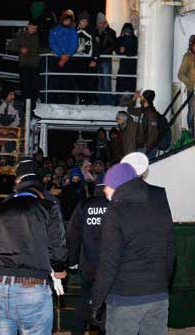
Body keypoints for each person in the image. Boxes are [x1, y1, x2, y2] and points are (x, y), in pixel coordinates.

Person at [0, 160, 67, 334]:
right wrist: (59, 269)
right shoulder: (48, 207)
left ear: (17, 182)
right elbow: (57, 245)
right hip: (32, 288)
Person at [90, 163, 175, 335]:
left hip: (125, 297)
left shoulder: (115, 213)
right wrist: (161, 283)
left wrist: (96, 302)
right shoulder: (160, 208)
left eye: (107, 185)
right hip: (158, 294)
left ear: (117, 184)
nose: (104, 190)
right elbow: (170, 253)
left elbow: (109, 263)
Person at [67, 171, 110, 335]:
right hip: (109, 264)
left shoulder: (84, 205)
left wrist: (72, 261)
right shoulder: (114, 205)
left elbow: (73, 234)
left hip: (88, 264)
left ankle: (77, 332)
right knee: (107, 302)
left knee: (84, 299)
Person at [7, 19, 41, 106]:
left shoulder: (38, 36)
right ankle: (26, 110)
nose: (34, 30)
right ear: (28, 26)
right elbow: (9, 46)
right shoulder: (20, 36)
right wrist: (20, 50)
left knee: (34, 88)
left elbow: (42, 48)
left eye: (35, 28)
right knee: (26, 88)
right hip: (24, 65)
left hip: (35, 65)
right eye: (32, 28)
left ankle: (31, 110)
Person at [48, 10, 78, 104]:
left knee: (69, 82)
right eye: (66, 20)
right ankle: (55, 102)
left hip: (68, 59)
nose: (67, 21)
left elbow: (74, 44)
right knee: (57, 81)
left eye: (69, 20)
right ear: (62, 20)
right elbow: (52, 43)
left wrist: (66, 56)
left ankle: (69, 102)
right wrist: (62, 55)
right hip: (58, 59)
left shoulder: (73, 31)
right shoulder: (54, 30)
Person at [178, 35, 195, 136]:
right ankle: (191, 131)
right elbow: (181, 74)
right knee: (192, 112)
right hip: (192, 89)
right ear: (191, 47)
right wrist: (191, 84)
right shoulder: (188, 57)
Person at [128, 90, 161, 159]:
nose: (140, 98)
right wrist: (134, 98)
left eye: (142, 97)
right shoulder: (142, 110)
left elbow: (153, 133)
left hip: (147, 149)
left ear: (146, 99)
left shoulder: (151, 113)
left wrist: (147, 148)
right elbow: (130, 110)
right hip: (141, 147)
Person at [94, 12, 117, 105]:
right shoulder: (95, 32)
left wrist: (102, 52)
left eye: (103, 22)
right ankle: (101, 102)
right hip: (97, 60)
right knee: (99, 83)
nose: (102, 24)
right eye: (100, 22)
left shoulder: (111, 32)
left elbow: (113, 45)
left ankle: (107, 102)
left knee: (106, 82)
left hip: (106, 60)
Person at [75, 13, 98, 105]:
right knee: (78, 81)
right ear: (79, 21)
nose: (84, 23)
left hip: (87, 60)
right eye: (83, 21)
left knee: (89, 81)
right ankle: (80, 99)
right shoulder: (73, 31)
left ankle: (88, 100)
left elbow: (96, 46)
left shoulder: (92, 31)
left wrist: (94, 59)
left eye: (86, 21)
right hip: (76, 60)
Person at [115, 23, 138, 96]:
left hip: (132, 66)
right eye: (125, 30)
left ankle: (131, 100)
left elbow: (135, 51)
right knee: (121, 84)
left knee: (131, 84)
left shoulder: (135, 39)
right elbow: (117, 51)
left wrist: (124, 51)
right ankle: (119, 100)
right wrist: (120, 51)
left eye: (128, 30)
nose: (127, 32)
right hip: (123, 66)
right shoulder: (120, 39)